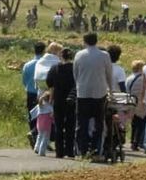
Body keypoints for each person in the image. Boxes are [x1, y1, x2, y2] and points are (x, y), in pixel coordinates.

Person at [73, 32, 111, 160]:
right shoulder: (104, 55)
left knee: (81, 124)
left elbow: (75, 74)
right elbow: (109, 74)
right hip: (99, 93)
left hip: (82, 93)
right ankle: (96, 151)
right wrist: (110, 89)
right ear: (96, 41)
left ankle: (82, 152)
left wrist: (80, 85)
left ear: (84, 41)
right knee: (99, 124)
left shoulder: (79, 55)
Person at [46, 48, 77, 159]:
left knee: (59, 126)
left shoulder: (55, 68)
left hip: (58, 99)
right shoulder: (74, 69)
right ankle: (70, 150)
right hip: (71, 100)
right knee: (70, 126)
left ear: (61, 56)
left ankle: (59, 151)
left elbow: (49, 82)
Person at [21, 42, 42, 148]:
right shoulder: (43, 64)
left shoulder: (27, 65)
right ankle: (38, 136)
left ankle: (32, 133)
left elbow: (24, 80)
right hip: (41, 93)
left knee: (31, 115)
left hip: (30, 93)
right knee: (42, 115)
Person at [125, 59, 146, 151]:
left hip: (130, 102)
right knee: (141, 123)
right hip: (140, 103)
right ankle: (136, 142)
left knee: (134, 123)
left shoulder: (129, 78)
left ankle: (132, 140)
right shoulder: (142, 79)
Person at [31, 90, 54, 156]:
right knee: (45, 138)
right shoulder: (50, 107)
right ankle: (42, 151)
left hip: (39, 124)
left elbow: (33, 113)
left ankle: (36, 148)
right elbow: (52, 115)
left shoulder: (39, 105)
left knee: (39, 136)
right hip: (47, 124)